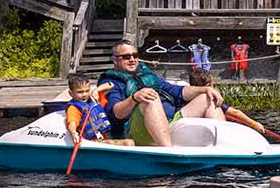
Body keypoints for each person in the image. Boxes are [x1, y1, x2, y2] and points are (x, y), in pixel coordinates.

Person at [98, 41, 226, 147]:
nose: (132, 60)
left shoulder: (148, 75)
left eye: (135, 55)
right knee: (150, 97)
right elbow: (116, 113)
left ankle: (224, 150)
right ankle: (168, 152)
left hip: (168, 123)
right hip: (137, 131)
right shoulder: (110, 82)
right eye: (126, 57)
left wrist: (205, 89)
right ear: (115, 60)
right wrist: (134, 98)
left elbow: (177, 91)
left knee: (206, 98)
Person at [63, 73, 131, 145]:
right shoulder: (74, 108)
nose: (84, 94)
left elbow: (111, 84)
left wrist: (97, 90)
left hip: (107, 137)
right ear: (70, 93)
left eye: (87, 91)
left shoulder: (94, 98)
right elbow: (72, 123)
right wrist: (74, 134)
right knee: (128, 143)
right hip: (93, 142)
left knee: (130, 142)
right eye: (80, 92)